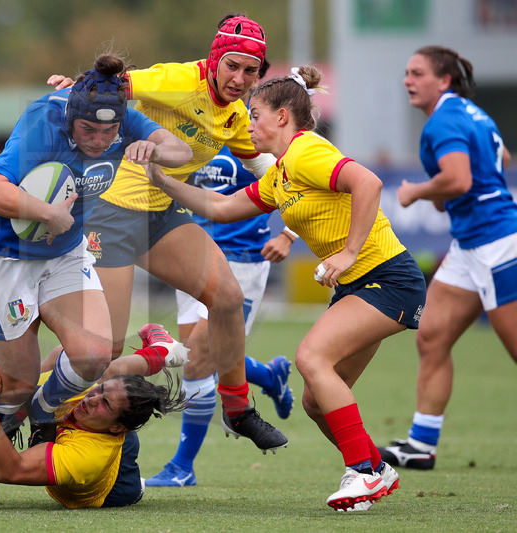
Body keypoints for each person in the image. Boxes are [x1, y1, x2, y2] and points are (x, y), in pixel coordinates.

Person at [143, 64, 427, 511]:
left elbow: (368, 183)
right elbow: (220, 207)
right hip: (359, 285)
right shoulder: (280, 174)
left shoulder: (304, 151)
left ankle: (365, 474)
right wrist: (161, 180)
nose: (247, 124)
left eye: (254, 114)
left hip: (388, 279)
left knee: (311, 358)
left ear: (281, 117)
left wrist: (350, 251)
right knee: (316, 399)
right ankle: (376, 465)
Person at [49, 14, 288, 454]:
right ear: (216, 59)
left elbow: (268, 169)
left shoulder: (236, 114)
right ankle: (32, 399)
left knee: (228, 298)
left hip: (161, 216)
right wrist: (73, 86)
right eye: (232, 66)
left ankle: (237, 409)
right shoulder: (177, 80)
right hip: (109, 216)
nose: (239, 78)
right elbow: (107, 86)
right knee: (101, 352)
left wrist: (308, 184)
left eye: (250, 70)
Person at [0, 53, 191, 509]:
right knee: (18, 383)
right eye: (89, 131)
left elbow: (181, 150)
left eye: (110, 132)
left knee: (93, 354)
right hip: (3, 258)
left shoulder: (124, 121)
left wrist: (152, 148)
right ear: (71, 116)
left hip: (64, 253)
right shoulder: (43, 120)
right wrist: (48, 212)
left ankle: (46, 415)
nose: (99, 140)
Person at [145, 59, 296, 487]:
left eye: (247, 79)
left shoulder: (260, 138)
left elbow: (298, 185)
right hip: (192, 251)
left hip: (243, 259)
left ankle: (182, 466)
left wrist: (287, 235)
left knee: (196, 357)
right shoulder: (196, 128)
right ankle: (268, 376)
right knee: (201, 352)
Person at [378, 46, 517, 471]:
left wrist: (417, 191)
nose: (407, 79)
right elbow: (501, 159)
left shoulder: (444, 120)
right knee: (432, 335)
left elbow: (458, 178)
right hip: (470, 245)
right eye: (406, 72)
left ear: (443, 81)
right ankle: (421, 444)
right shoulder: (472, 114)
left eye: (417, 73)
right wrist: (446, 196)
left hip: (495, 244)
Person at [0, 323, 189, 509]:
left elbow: (8, 471)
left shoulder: (87, 458)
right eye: (100, 392)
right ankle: (162, 352)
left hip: (116, 484)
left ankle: (16, 425)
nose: (91, 399)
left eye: (104, 404)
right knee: (87, 365)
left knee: (88, 384)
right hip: (98, 426)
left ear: (117, 427)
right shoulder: (92, 397)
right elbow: (47, 371)